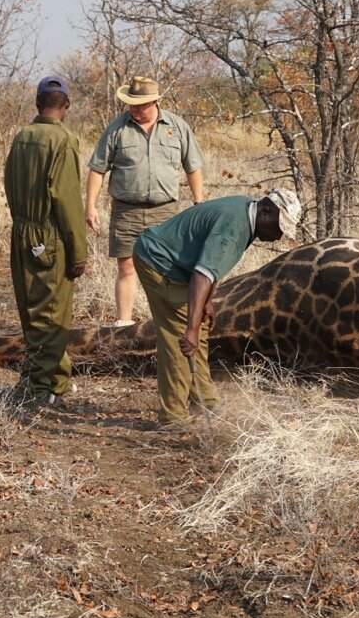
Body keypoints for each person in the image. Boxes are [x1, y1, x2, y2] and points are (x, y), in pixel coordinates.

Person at [133, 189, 301, 429]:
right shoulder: (235, 228)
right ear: (266, 210)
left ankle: (204, 401)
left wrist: (207, 302)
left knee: (197, 332)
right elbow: (202, 274)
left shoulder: (246, 212)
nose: (277, 236)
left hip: (177, 266)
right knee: (181, 337)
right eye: (278, 227)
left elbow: (212, 264)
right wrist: (190, 327)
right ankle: (172, 418)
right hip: (158, 261)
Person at [86, 75, 205, 328]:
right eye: (131, 104)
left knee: (167, 269)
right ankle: (124, 323)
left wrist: (199, 202)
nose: (134, 109)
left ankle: (167, 322)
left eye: (140, 104)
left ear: (155, 102)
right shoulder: (117, 128)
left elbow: (192, 167)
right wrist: (90, 206)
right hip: (126, 211)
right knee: (126, 266)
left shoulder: (178, 126)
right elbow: (97, 169)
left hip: (166, 212)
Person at [3, 76, 88, 405]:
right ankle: (40, 388)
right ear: (66, 106)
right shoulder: (63, 140)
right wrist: (77, 250)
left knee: (30, 308)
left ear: (38, 104)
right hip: (49, 236)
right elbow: (67, 200)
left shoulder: (23, 136)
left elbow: (9, 182)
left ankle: (51, 378)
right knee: (52, 314)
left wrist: (24, 222)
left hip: (22, 231)